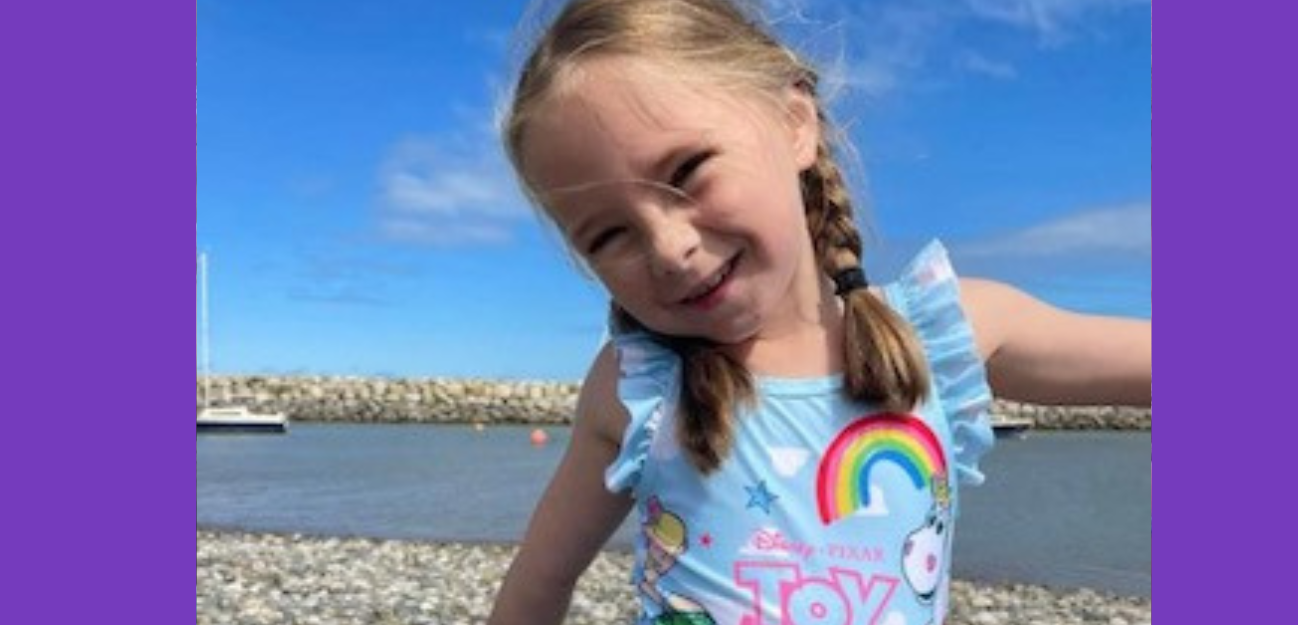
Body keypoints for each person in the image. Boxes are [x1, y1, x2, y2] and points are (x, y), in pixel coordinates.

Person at [488, 0, 1151, 623]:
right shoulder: (640, 388)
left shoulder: (943, 336)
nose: (669, 247)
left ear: (794, 124)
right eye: (609, 235)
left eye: (686, 172)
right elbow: (539, 581)